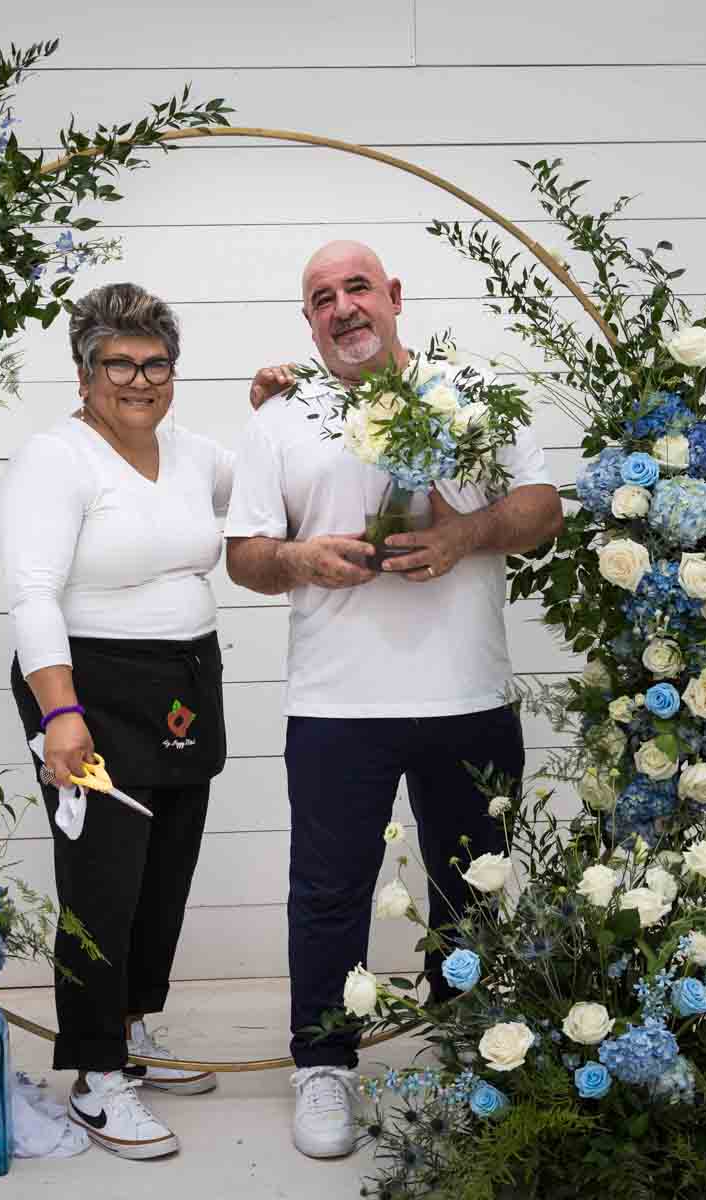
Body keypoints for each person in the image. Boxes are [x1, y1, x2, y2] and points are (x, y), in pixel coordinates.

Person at [224, 241, 565, 1159]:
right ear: (309, 322)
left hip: (468, 695)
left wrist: (467, 533)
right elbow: (246, 552)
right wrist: (298, 558)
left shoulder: (474, 393)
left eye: (358, 287)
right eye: (322, 297)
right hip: (337, 706)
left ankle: (465, 1047)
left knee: (471, 887)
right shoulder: (284, 417)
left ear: (395, 297)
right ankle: (324, 1066)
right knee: (329, 893)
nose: (343, 307)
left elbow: (543, 509)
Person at [0, 282, 248, 1160]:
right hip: (88, 692)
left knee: (163, 873)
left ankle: (133, 1030)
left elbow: (266, 478)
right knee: (101, 884)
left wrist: (286, 401)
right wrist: (60, 713)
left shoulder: (191, 454)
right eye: (120, 362)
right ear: (84, 369)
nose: (139, 379)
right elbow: (33, 595)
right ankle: (96, 1076)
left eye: (156, 363)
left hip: (183, 687)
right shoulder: (56, 460)